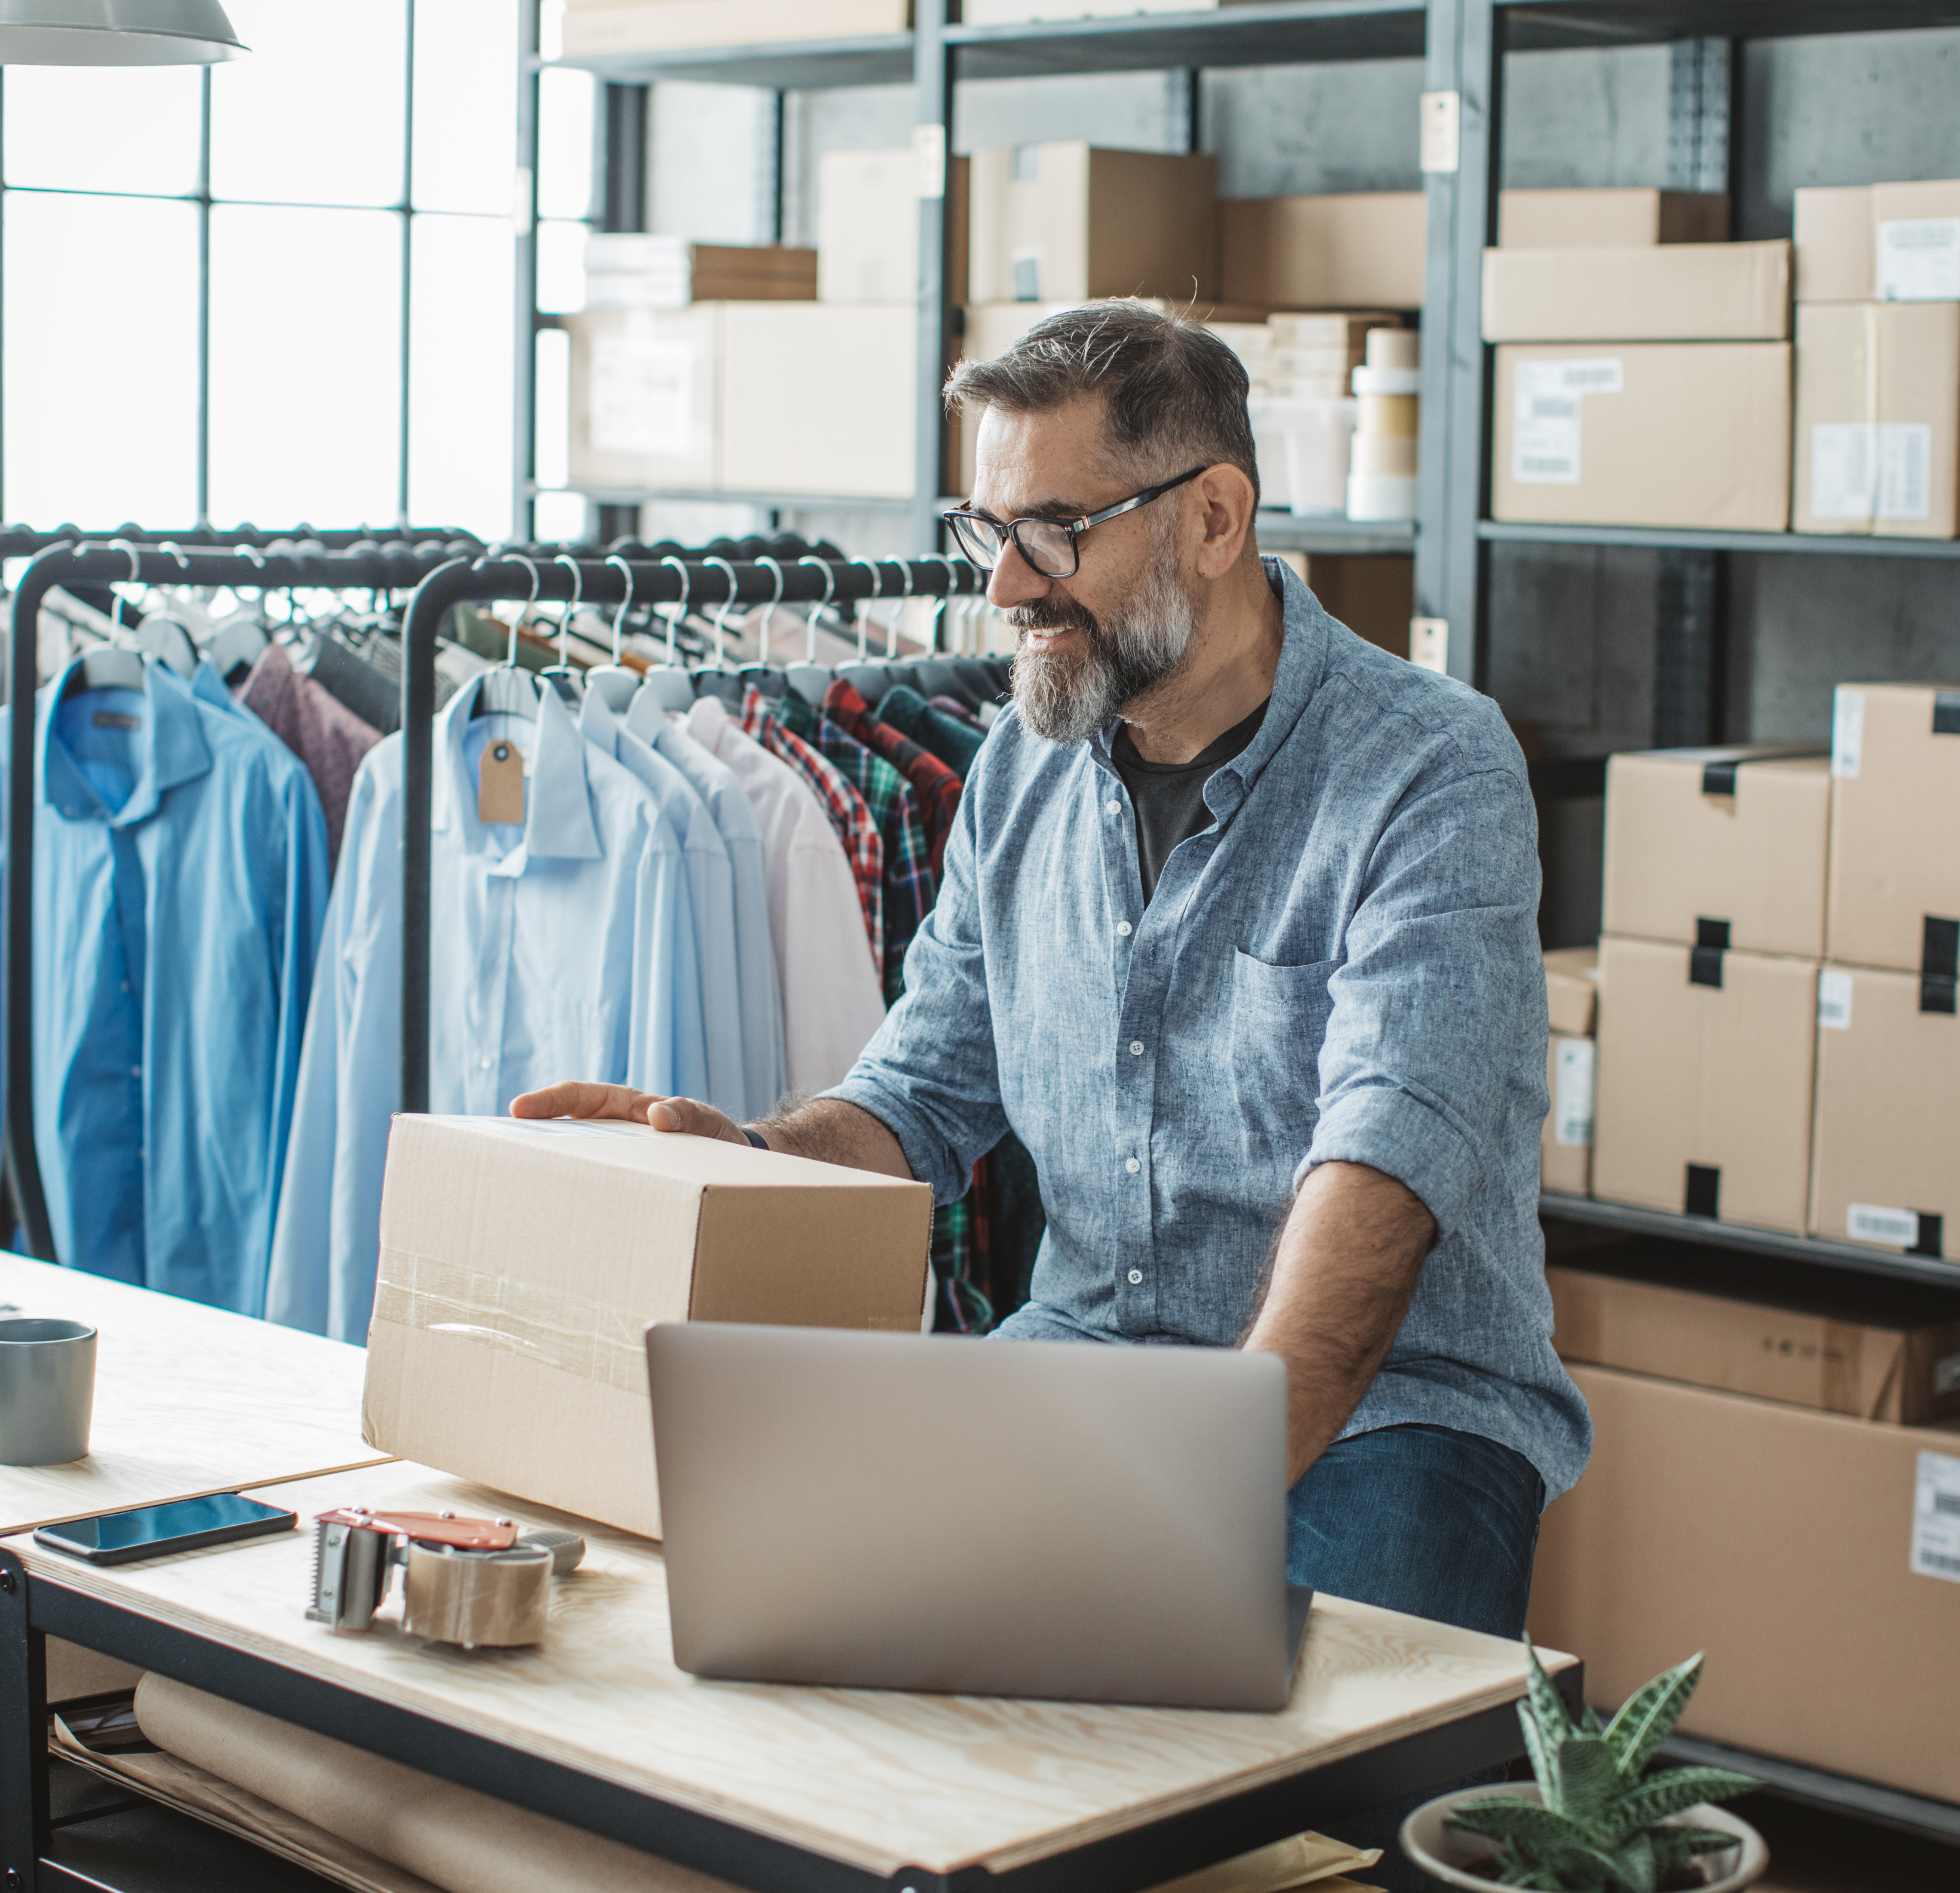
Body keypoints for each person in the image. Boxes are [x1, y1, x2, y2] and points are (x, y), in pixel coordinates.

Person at [514, 300, 1588, 1642]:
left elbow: (1380, 1173)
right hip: (1073, 1374)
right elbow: (918, 1097)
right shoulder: (1020, 768)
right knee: (774, 1631)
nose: (1006, 589)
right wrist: (737, 1153)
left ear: (1214, 518)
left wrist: (1195, 1490)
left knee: (1299, 1751)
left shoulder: (1428, 768)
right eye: (988, 531)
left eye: (1055, 531)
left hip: (1388, 1414)